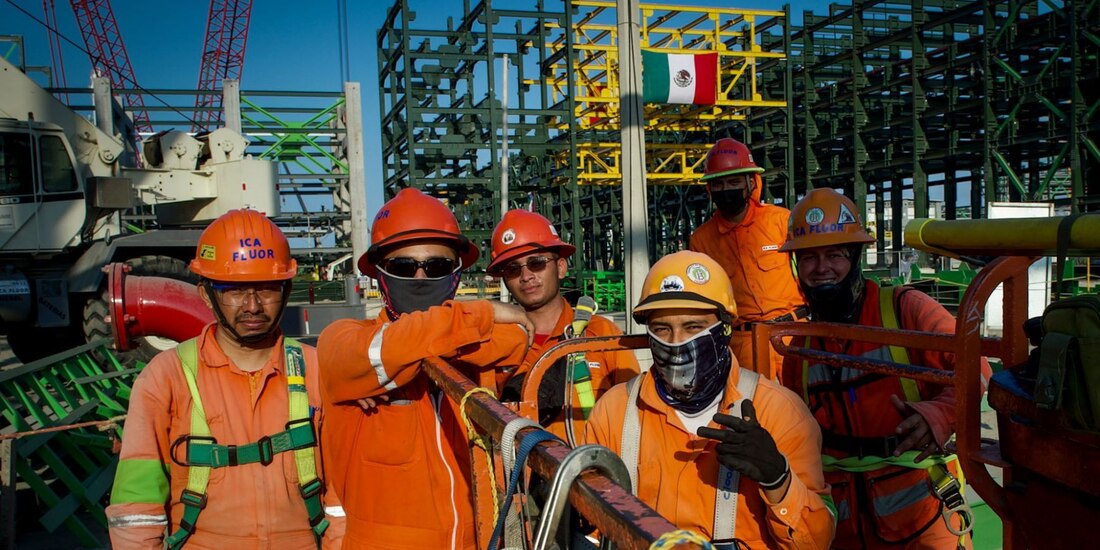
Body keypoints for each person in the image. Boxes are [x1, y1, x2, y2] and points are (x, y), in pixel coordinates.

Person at [106, 209, 345, 549]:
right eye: (234, 290)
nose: (252, 306)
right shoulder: (166, 376)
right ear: (207, 295)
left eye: (266, 289)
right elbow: (136, 504)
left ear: (287, 290)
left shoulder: (316, 370)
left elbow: (343, 498)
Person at [317, 188, 533, 549]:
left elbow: (514, 338)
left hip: (474, 539)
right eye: (404, 266)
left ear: (456, 274)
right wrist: (480, 312)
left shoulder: (466, 336)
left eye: (436, 266)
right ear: (380, 274)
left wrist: (398, 368)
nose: (420, 277)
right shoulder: (342, 341)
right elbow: (383, 351)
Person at [779, 188, 989, 549]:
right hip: (845, 523)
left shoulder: (905, 310)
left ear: (856, 256)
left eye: (834, 254)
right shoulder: (801, 348)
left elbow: (976, 368)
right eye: (809, 257)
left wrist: (938, 415)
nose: (822, 268)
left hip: (924, 512)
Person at [584, 250, 835, 549]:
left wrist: (778, 479)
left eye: (693, 327)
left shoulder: (780, 412)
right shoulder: (615, 412)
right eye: (663, 329)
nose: (677, 344)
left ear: (725, 329)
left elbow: (816, 542)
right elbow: (592, 532)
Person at [487, 209, 639, 442]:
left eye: (536, 263)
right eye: (513, 269)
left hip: (593, 473)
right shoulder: (494, 343)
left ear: (560, 267)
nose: (526, 276)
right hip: (524, 475)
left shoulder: (600, 334)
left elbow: (634, 415)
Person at [689, 137, 807, 379]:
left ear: (751, 182)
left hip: (796, 335)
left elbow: (808, 274)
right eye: (719, 184)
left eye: (733, 182)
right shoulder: (701, 241)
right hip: (743, 347)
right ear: (710, 189)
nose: (726, 190)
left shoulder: (780, 222)